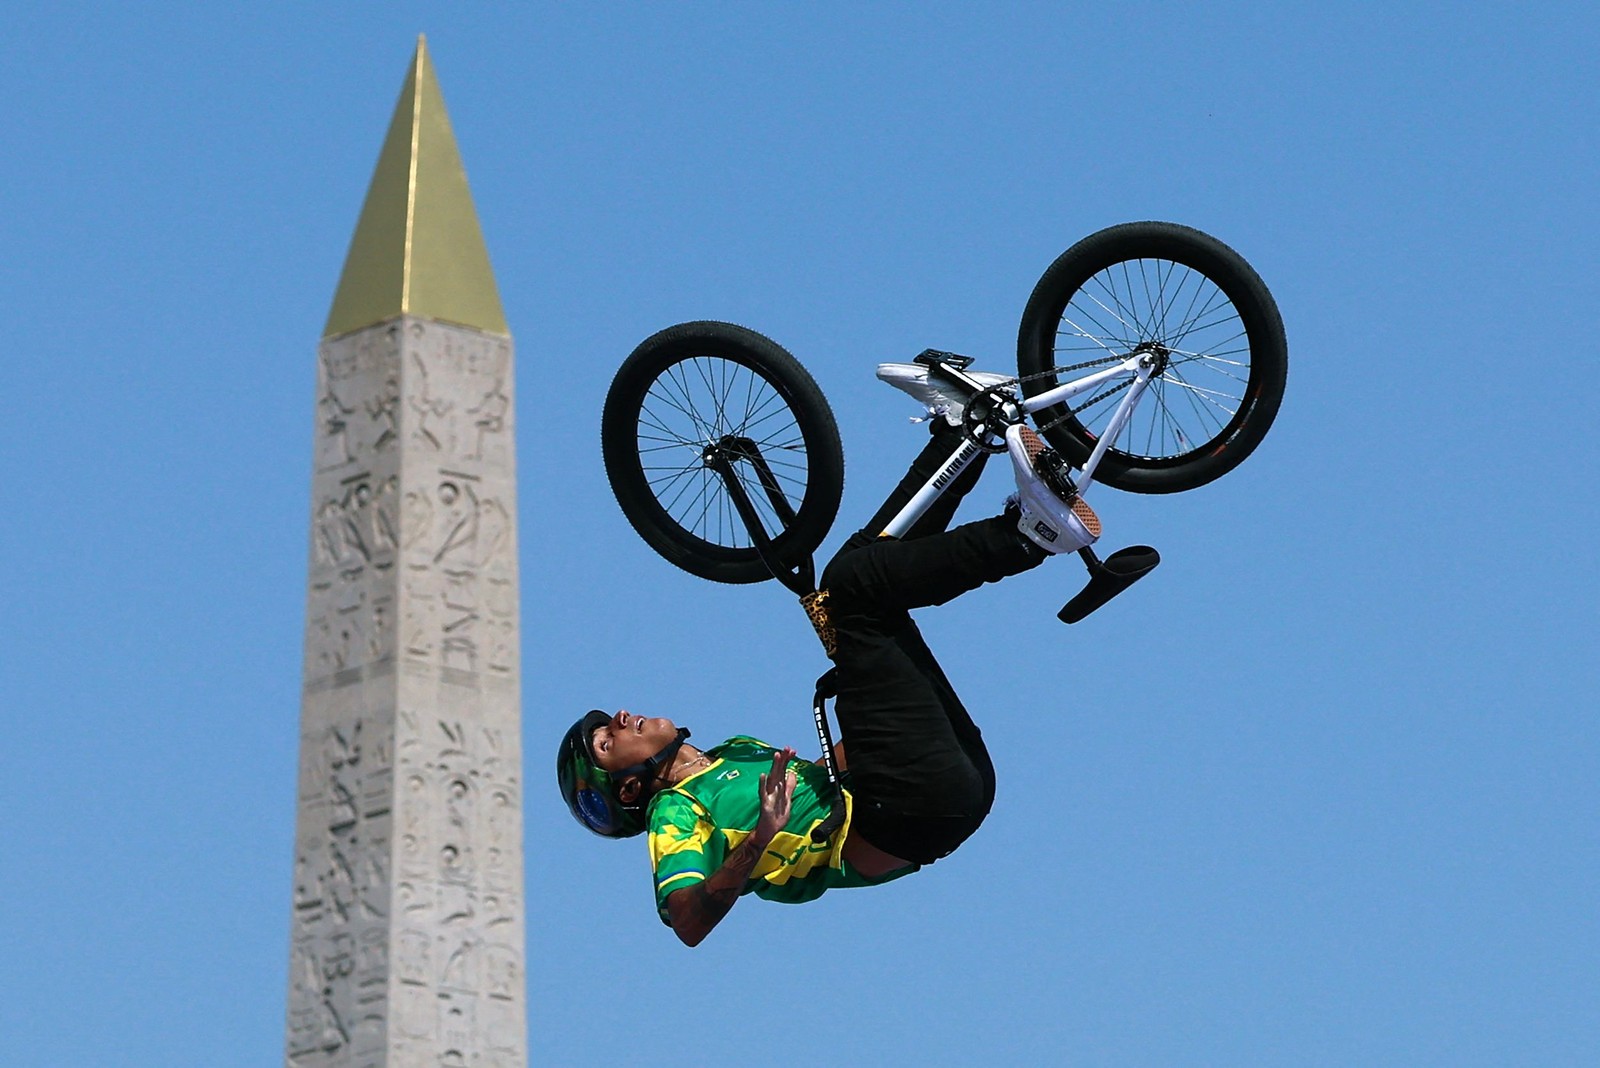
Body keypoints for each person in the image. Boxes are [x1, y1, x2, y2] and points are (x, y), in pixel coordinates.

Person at [558, 398, 1099, 946]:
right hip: (907, 812)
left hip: (939, 787)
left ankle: (965, 437)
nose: (621, 717)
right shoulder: (673, 813)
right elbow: (689, 923)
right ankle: (1029, 536)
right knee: (852, 591)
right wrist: (760, 837)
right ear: (629, 789)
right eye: (607, 739)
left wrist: (864, 677)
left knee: (864, 577)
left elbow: (833, 768)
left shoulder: (731, 754)